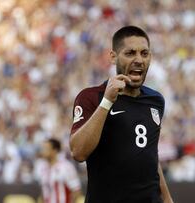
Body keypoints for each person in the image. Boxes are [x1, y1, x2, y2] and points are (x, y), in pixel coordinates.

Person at [70, 25, 173, 203]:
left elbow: (150, 154)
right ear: (113, 57)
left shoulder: (156, 101)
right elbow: (78, 152)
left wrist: (168, 199)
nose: (139, 60)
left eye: (144, 53)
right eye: (130, 53)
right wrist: (107, 102)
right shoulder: (91, 97)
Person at [39, 138, 82, 203]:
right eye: (43, 149)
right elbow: (44, 191)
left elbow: (76, 191)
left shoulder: (66, 167)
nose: (43, 151)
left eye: (46, 149)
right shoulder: (43, 168)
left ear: (55, 150)